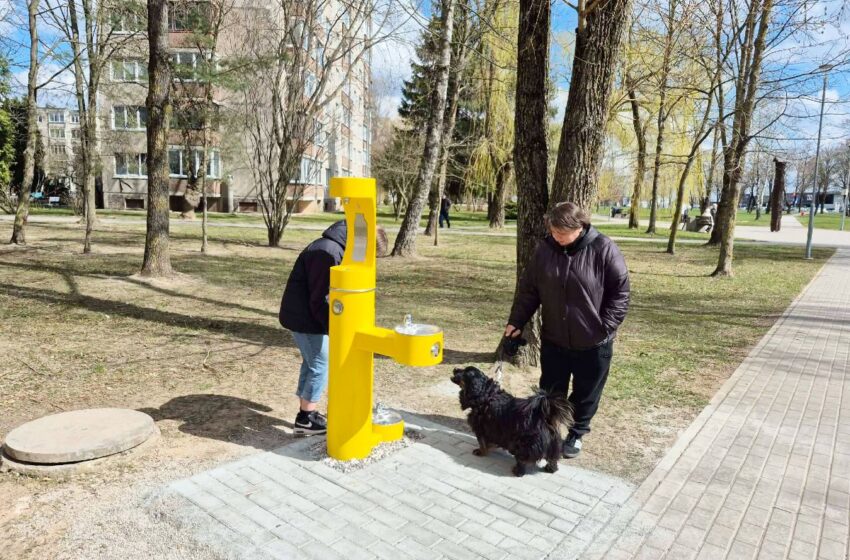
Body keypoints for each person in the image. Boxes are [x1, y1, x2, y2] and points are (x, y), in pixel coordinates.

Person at [504, 202, 630, 458]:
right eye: (553, 232)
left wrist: (603, 327)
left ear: (579, 227)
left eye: (561, 233)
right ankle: (548, 432)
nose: (556, 237)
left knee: (586, 392)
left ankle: (576, 433)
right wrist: (516, 322)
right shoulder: (544, 250)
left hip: (593, 343)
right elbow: (529, 290)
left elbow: (621, 294)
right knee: (551, 390)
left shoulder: (603, 248)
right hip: (555, 339)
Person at [279, 221, 389, 435]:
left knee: (312, 362)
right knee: (320, 363)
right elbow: (319, 299)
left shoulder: (333, 248)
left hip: (304, 316)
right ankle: (305, 419)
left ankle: (306, 410)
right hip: (304, 318)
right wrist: (336, 329)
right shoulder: (327, 253)